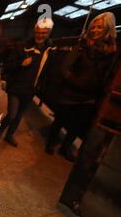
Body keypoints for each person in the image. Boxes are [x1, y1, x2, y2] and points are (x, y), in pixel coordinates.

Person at [45, 12, 118, 162]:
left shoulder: (111, 52)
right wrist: (75, 82)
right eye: (94, 26)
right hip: (71, 92)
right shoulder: (81, 46)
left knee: (77, 125)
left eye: (100, 27)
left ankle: (65, 147)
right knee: (60, 120)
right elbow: (65, 68)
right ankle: (51, 143)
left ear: (107, 29)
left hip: (90, 96)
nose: (95, 30)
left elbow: (108, 74)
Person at [0, 18, 56, 147]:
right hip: (16, 88)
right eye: (38, 32)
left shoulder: (50, 51)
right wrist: (20, 64)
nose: (40, 35)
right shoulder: (23, 47)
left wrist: (41, 86)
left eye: (43, 33)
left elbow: (48, 71)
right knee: (12, 114)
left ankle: (9, 136)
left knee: (19, 115)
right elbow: (7, 65)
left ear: (49, 33)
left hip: (30, 90)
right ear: (35, 32)